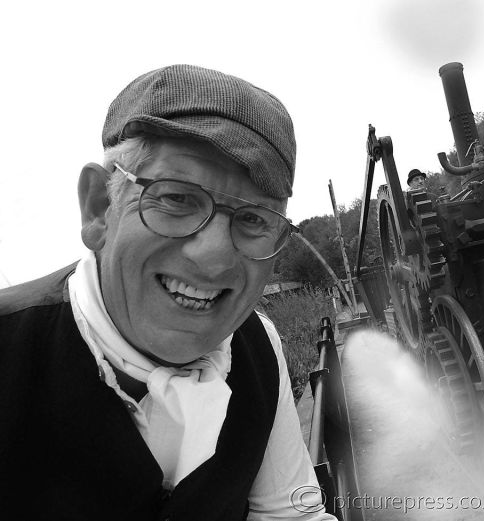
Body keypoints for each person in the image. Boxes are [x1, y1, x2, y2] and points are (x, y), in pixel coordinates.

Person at [0, 65, 334, 520]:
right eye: (176, 198)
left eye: (254, 219)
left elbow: (290, 512)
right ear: (99, 208)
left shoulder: (259, 345)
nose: (214, 258)